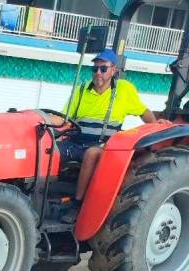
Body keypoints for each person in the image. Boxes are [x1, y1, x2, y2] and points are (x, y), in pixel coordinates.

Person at [48, 49, 167, 223]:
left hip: (103, 145)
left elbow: (144, 112)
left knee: (90, 154)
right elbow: (62, 118)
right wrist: (39, 118)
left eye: (103, 69)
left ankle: (77, 205)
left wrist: (156, 126)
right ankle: (45, 198)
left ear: (113, 70)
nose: (98, 73)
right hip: (76, 141)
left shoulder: (124, 90)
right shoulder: (82, 90)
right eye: (94, 69)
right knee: (48, 151)